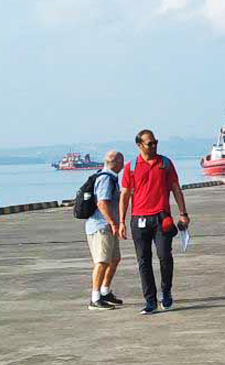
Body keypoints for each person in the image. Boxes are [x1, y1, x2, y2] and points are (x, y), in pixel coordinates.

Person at [119, 130, 190, 315]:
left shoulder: (165, 163)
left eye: (155, 142)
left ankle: (166, 292)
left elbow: (176, 188)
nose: (153, 146)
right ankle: (149, 300)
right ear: (139, 145)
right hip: (138, 219)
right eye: (149, 143)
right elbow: (125, 195)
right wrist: (121, 221)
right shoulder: (131, 167)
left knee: (164, 256)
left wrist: (183, 213)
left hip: (161, 218)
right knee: (143, 261)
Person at [85, 150, 125, 310]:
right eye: (122, 161)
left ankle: (105, 291)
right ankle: (95, 299)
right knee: (101, 262)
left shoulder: (111, 178)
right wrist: (113, 222)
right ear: (116, 163)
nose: (123, 165)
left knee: (114, 259)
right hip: (100, 226)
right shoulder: (105, 179)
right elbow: (101, 203)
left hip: (108, 226)